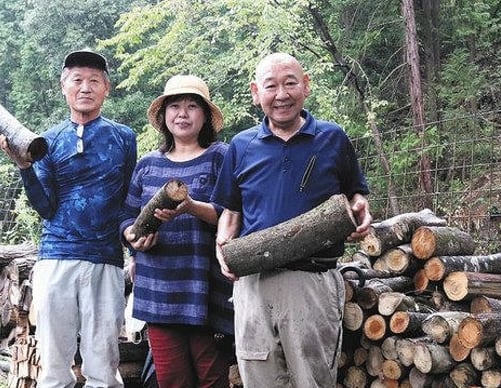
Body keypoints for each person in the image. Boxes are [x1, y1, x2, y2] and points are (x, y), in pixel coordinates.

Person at [211, 52, 372, 388]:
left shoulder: (332, 138)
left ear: (306, 86)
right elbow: (231, 210)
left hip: (311, 279)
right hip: (253, 282)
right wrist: (222, 245)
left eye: (290, 83)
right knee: (259, 375)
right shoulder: (241, 145)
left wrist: (361, 212)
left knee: (311, 378)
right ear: (256, 92)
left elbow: (356, 194)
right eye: (271, 86)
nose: (281, 94)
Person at [0, 49, 137, 388]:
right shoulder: (47, 141)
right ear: (64, 87)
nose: (85, 87)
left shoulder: (123, 137)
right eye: (77, 80)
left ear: (107, 88)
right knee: (54, 368)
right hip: (56, 258)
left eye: (94, 81)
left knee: (103, 366)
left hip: (106, 260)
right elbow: (45, 207)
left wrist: (134, 252)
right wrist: (24, 168)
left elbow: (128, 201)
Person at [120, 75, 234, 388]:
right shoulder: (147, 165)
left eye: (192, 106)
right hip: (158, 293)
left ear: (205, 116)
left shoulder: (220, 157)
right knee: (171, 380)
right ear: (165, 115)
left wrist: (193, 207)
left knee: (212, 378)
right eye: (175, 106)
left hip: (205, 290)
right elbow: (126, 216)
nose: (182, 113)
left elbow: (233, 215)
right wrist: (132, 237)